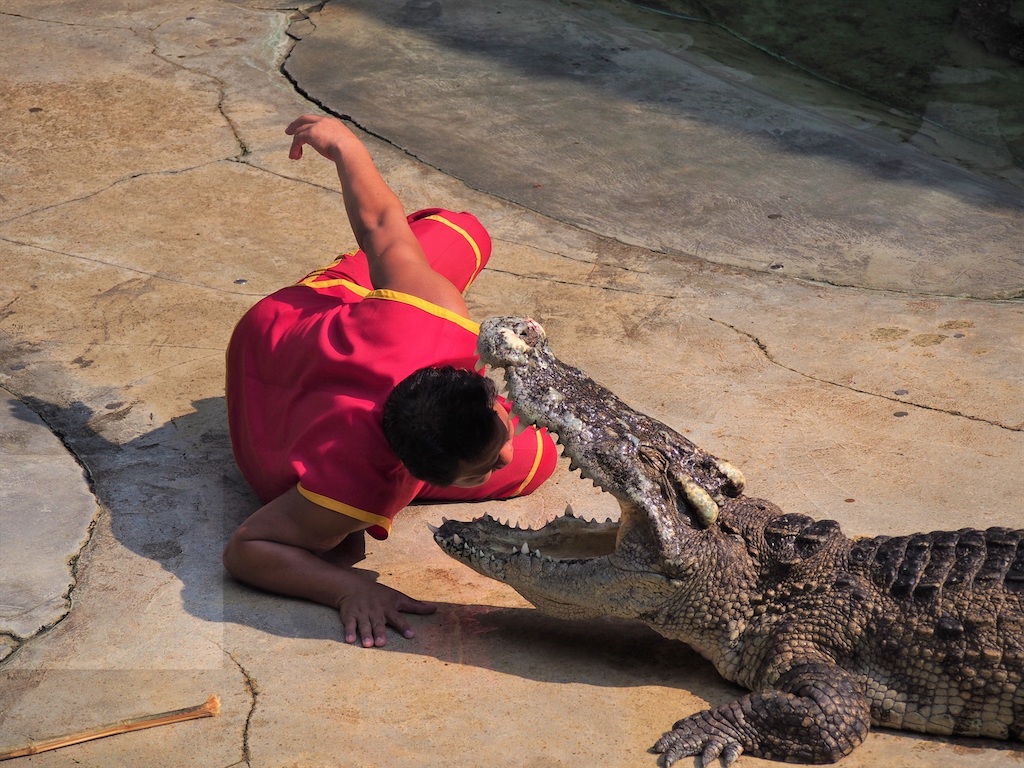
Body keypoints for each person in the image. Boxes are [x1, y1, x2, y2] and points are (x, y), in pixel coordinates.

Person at [222, 114, 557, 649]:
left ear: (480, 389)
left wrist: (346, 146)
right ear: (414, 475)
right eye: (480, 466)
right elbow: (247, 548)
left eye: (490, 443)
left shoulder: (430, 313)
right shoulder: (354, 489)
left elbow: (380, 223)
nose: (499, 454)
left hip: (279, 332)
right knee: (537, 462)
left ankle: (363, 299)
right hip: (273, 431)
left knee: (464, 233)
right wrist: (343, 586)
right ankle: (367, 305)